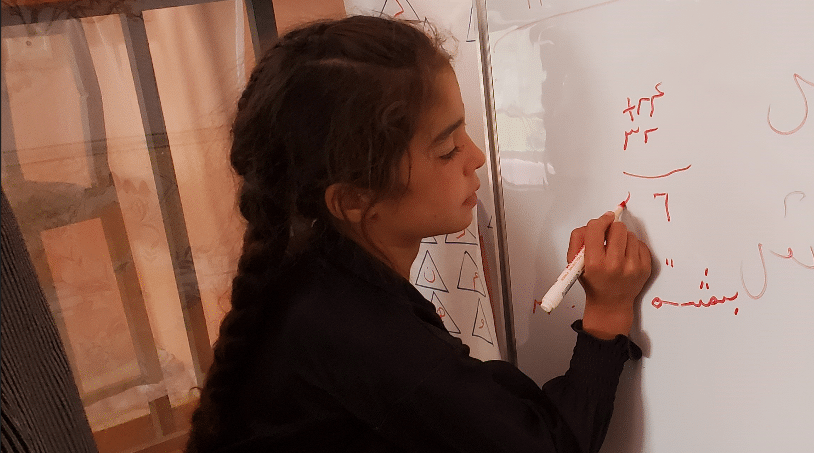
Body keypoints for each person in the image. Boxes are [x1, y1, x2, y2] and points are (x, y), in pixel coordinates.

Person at [185, 15, 652, 453]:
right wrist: (607, 314)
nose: (476, 157)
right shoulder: (357, 332)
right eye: (447, 149)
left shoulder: (320, 279)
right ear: (352, 200)